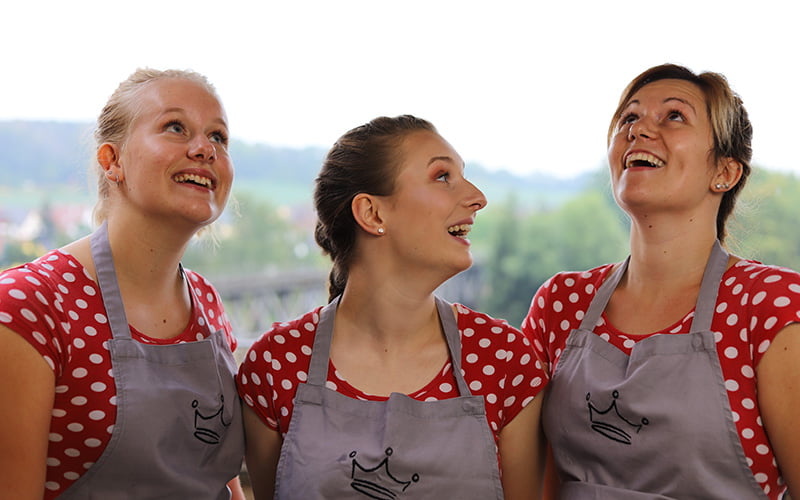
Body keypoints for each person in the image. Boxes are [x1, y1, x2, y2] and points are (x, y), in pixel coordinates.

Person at [523, 63, 800, 500]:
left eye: (674, 116)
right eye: (629, 118)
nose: (638, 131)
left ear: (725, 173)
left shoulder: (771, 305)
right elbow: (530, 481)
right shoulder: (561, 302)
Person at [238, 115, 547, 499]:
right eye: (441, 176)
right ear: (373, 213)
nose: (477, 197)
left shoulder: (506, 360)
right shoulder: (274, 365)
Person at [0, 68, 246, 499]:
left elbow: (216, 477)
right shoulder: (27, 306)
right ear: (112, 161)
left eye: (218, 137)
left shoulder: (207, 302)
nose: (204, 148)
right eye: (175, 127)